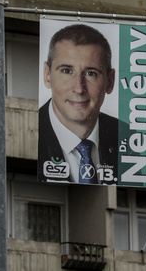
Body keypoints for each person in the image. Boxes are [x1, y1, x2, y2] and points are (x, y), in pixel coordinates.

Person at [38, 24, 119, 185]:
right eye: (67, 71)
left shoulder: (130, 140)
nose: (79, 88)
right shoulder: (31, 131)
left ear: (110, 82)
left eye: (90, 73)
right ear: (47, 75)